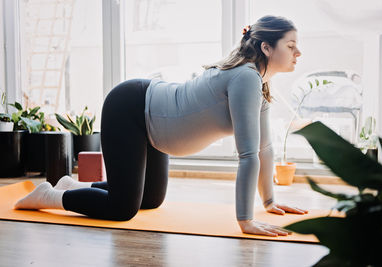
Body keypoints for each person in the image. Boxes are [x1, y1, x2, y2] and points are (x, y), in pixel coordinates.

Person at [15, 15, 307, 237]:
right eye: (291, 46)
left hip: (155, 123)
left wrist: (269, 201)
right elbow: (247, 155)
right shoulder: (245, 77)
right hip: (131, 108)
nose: (298, 53)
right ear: (267, 47)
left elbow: (264, 148)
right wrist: (246, 221)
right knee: (122, 209)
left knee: (150, 200)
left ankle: (73, 185)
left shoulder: (259, 84)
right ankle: (51, 195)